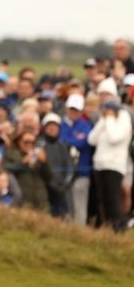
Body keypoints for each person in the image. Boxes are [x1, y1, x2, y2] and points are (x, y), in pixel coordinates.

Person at [88, 100, 132, 232]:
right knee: (104, 200)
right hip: (100, 165)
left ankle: (120, 228)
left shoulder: (123, 124)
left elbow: (114, 137)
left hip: (115, 166)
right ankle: (109, 228)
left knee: (113, 199)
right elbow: (91, 139)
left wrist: (110, 119)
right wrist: (103, 121)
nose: (106, 112)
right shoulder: (106, 123)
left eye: (108, 110)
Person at [59, 94, 94, 226]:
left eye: (77, 110)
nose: (73, 112)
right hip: (62, 172)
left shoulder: (86, 125)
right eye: (71, 109)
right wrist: (73, 139)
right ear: (67, 108)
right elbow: (60, 142)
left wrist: (69, 141)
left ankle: (79, 231)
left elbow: (83, 142)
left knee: (79, 203)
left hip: (81, 172)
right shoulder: (60, 124)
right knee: (65, 203)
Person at [4, 131, 52, 211]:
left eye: (33, 142)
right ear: (19, 142)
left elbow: (49, 177)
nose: (30, 145)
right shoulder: (11, 154)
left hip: (40, 201)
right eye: (26, 142)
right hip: (21, 201)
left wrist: (44, 163)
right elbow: (6, 170)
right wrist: (23, 163)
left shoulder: (39, 156)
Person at [39, 113, 74, 218]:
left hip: (61, 189)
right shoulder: (40, 144)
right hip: (45, 188)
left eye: (55, 127)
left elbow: (69, 166)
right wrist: (51, 183)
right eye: (49, 126)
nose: (52, 129)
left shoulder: (63, 146)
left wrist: (64, 183)